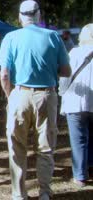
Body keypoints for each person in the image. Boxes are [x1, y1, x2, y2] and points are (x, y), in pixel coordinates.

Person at [0, 0, 71, 200]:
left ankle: (19, 194)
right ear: (38, 15)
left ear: (20, 16)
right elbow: (66, 70)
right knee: (46, 148)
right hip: (46, 95)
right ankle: (45, 192)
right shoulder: (53, 37)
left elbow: (4, 74)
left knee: (16, 146)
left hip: (19, 94)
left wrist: (9, 95)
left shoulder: (10, 38)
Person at [58, 23, 93, 187]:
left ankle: (80, 175)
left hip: (75, 101)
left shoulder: (74, 52)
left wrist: (61, 91)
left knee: (78, 139)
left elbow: (65, 76)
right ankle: (90, 167)